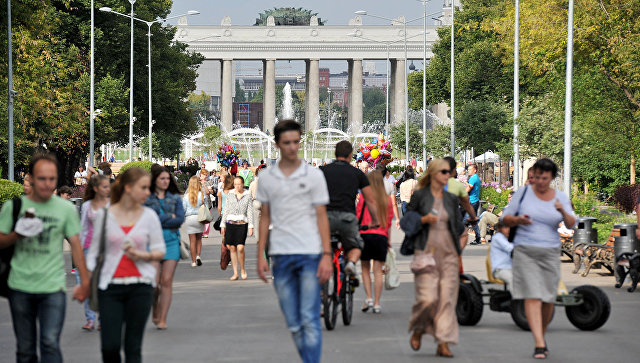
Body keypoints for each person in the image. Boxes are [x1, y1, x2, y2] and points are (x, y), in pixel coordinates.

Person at [0, 153, 90, 363]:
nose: (47, 184)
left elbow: (76, 244)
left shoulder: (65, 209)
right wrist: (17, 235)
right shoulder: (13, 207)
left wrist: (84, 282)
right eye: (42, 178)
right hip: (20, 286)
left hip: (53, 287)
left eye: (52, 179)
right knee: (25, 349)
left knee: (49, 342)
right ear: (31, 178)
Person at [256, 120, 332, 363]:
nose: (292, 147)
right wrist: (260, 256)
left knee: (309, 318)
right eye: (287, 143)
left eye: (296, 142)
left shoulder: (314, 175)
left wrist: (327, 255)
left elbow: (322, 216)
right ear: (277, 144)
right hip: (280, 254)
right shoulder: (267, 177)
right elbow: (264, 216)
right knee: (293, 322)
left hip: (310, 253)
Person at [87, 167, 165, 362]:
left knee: (133, 347)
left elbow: (159, 250)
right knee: (110, 346)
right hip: (110, 287)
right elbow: (93, 253)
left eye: (149, 188)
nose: (148, 192)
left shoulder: (149, 216)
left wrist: (141, 255)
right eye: (144, 187)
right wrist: (87, 281)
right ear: (128, 188)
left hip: (141, 287)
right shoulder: (105, 215)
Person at [501, 158, 575, 359]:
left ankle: (540, 332)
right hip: (525, 250)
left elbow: (571, 224)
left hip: (550, 251)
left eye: (545, 178)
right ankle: (539, 343)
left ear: (551, 178)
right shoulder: (524, 194)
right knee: (532, 295)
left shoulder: (560, 197)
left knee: (548, 297)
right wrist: (517, 220)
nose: (541, 181)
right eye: (538, 177)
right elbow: (504, 219)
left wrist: (561, 210)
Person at [407, 159, 465, 358]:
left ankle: (443, 341)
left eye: (449, 172)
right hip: (426, 252)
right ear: (432, 174)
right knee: (428, 298)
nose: (447, 175)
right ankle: (419, 327)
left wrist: (459, 249)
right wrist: (423, 220)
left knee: (447, 299)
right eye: (443, 172)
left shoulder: (450, 198)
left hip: (448, 254)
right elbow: (408, 220)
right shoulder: (420, 196)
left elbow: (458, 226)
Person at [321, 140, 379, 276]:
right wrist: (375, 220)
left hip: (325, 219)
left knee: (320, 247)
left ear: (335, 154)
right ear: (350, 155)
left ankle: (322, 288)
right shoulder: (357, 173)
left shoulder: (322, 171)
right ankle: (351, 263)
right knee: (357, 245)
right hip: (347, 217)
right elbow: (370, 199)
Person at [145, 165, 185, 330]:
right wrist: (169, 217)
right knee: (154, 285)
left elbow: (180, 220)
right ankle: (155, 306)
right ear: (154, 180)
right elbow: (146, 220)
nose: (165, 181)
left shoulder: (175, 198)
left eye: (168, 178)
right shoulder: (147, 199)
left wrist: (160, 219)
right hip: (152, 243)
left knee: (166, 281)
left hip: (171, 242)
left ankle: (162, 318)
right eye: (162, 178)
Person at [357, 170, 394, 314]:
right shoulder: (386, 199)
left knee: (365, 269)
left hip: (365, 234)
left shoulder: (363, 198)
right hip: (381, 236)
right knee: (378, 271)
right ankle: (377, 303)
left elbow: (358, 215)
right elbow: (389, 223)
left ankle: (369, 298)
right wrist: (388, 241)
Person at [78, 174, 110, 331]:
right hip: (88, 249)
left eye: (108, 186)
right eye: (104, 187)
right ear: (96, 189)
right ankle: (90, 318)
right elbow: (83, 229)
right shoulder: (87, 206)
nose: (108, 189)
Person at [221, 176, 254, 280]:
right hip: (230, 222)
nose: (237, 186)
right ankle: (235, 272)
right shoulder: (230, 194)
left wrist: (251, 225)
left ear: (243, 184)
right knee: (231, 247)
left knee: (240, 247)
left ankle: (242, 269)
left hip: (242, 223)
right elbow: (226, 209)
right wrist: (223, 224)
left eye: (239, 184)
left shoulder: (247, 195)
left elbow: (249, 210)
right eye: (235, 184)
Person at [182, 176, 205, 267]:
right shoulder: (201, 194)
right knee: (199, 239)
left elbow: (183, 209)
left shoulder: (186, 196)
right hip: (199, 218)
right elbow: (205, 205)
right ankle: (198, 256)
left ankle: (193, 261)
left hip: (190, 218)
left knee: (192, 241)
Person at [376, 165, 401, 229]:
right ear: (385, 172)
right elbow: (394, 203)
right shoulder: (390, 185)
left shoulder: (370, 183)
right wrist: (397, 218)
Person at [490, 222, 513, 290]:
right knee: (513, 279)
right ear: (500, 229)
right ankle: (516, 299)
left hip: (511, 268)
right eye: (505, 227)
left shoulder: (509, 238)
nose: (508, 230)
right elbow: (510, 248)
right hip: (500, 269)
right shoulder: (498, 237)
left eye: (509, 227)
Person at [464, 164, 482, 245]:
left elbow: (468, 189)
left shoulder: (473, 178)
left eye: (470, 169)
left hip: (472, 202)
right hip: (474, 201)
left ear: (475, 170)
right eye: (468, 169)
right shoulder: (476, 178)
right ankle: (478, 238)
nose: (468, 170)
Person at [199, 171, 213, 238]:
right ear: (200, 175)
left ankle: (205, 233)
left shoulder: (208, 182)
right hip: (199, 203)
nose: (205, 176)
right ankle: (200, 231)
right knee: (200, 217)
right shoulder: (197, 182)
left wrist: (204, 185)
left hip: (207, 202)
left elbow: (208, 192)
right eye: (203, 174)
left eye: (206, 175)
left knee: (207, 218)